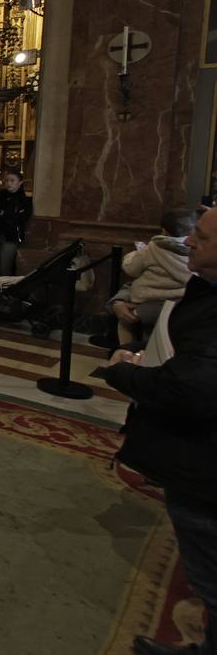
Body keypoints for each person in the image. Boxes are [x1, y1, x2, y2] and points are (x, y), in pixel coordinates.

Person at [101, 204, 217, 655]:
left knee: (210, 572)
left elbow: (191, 387)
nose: (189, 241)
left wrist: (126, 373)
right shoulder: (204, 288)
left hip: (203, 460)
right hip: (196, 455)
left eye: (202, 237)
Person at [108, 208, 195, 345]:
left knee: (126, 323)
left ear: (164, 230)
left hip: (150, 303)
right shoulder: (193, 249)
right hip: (179, 303)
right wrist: (119, 301)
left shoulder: (155, 247)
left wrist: (132, 256)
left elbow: (131, 268)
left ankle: (125, 351)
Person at [0, 170, 33, 278]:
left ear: (20, 182)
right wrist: (6, 215)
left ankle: (4, 288)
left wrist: (1, 213)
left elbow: (21, 218)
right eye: (7, 181)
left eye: (12, 181)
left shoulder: (24, 200)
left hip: (11, 236)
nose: (9, 183)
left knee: (6, 268)